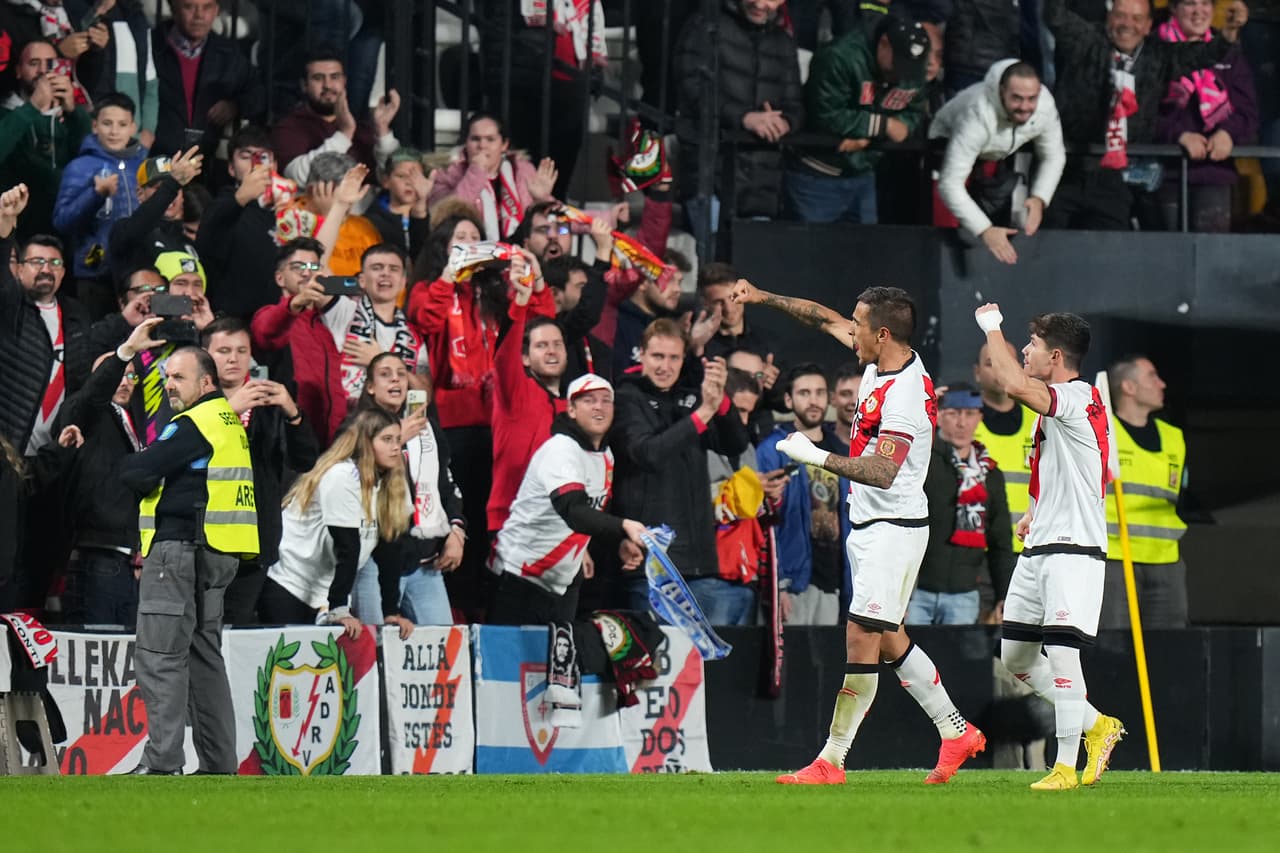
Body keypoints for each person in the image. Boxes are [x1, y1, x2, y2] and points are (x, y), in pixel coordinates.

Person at [730, 278, 986, 785]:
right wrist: (763, 297)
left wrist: (816, 456)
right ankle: (955, 730)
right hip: (869, 524)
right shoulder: (879, 361)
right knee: (888, 638)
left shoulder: (906, 395)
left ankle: (832, 759)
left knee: (860, 635)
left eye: (859, 324)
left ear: (883, 334)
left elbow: (883, 471)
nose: (850, 330)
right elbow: (821, 316)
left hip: (894, 528)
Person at [973, 302, 1126, 790]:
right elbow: (1060, 469)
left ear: (1055, 356)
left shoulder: (1076, 396)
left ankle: (1064, 767)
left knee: (1061, 655)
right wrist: (1033, 512)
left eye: (1033, 344)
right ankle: (1097, 725)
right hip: (1041, 545)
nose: (1025, 351)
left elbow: (1012, 384)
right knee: (1016, 658)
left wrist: (992, 326)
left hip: (1074, 549)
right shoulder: (1063, 405)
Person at [119, 346, 257, 775]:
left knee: (160, 656)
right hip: (218, 552)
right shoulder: (227, 421)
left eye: (179, 377)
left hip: (180, 551)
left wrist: (135, 464)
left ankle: (162, 763)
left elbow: (137, 471)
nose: (169, 386)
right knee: (204, 658)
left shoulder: (194, 422)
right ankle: (218, 764)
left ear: (207, 382)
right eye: (167, 378)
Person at [1041, 0, 1249, 230]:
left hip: (1116, 183)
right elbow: (1054, 16)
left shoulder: (1157, 55)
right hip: (1066, 171)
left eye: (1137, 18)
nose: (1127, 24)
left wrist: (1229, 32)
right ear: (1109, 17)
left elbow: (1205, 54)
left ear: (1149, 25)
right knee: (1051, 247)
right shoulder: (1087, 40)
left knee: (1109, 247)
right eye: (1120, 16)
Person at [610, 319, 753, 624]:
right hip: (650, 566)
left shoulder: (689, 396)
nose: (665, 366)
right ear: (641, 355)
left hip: (699, 561)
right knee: (661, 651)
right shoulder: (625, 398)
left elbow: (734, 444)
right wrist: (704, 413)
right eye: (657, 356)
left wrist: (721, 401)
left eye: (674, 358)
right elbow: (648, 452)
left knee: (713, 645)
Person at [490, 374, 647, 625]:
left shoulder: (606, 454)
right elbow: (573, 511)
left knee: (560, 650)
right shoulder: (561, 450)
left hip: (563, 580)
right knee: (513, 652)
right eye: (589, 400)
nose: (599, 406)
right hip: (519, 574)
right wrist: (623, 526)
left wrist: (617, 543)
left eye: (606, 400)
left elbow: (594, 511)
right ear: (571, 410)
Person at [201, 316, 318, 625]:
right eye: (224, 351)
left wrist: (293, 412)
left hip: (255, 540)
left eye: (242, 350)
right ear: (205, 356)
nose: (234, 359)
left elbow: (305, 461)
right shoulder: (193, 400)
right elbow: (183, 452)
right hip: (204, 540)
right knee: (202, 626)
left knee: (238, 627)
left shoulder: (268, 406)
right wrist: (229, 412)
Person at [260, 408, 414, 641]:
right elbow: (347, 547)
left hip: (324, 592)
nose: (395, 447)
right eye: (387, 439)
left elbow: (389, 551)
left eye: (398, 440)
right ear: (365, 443)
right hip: (290, 583)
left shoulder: (391, 482)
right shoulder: (343, 475)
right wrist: (339, 609)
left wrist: (391, 611)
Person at [55, 317, 168, 627]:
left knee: (125, 650)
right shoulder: (85, 413)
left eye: (131, 375)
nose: (124, 380)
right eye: (117, 372)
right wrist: (124, 353)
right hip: (96, 557)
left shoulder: (134, 422)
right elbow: (92, 397)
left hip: (127, 559)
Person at [349, 353, 465, 627]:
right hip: (374, 562)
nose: (395, 380)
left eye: (401, 374)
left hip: (425, 563)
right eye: (385, 374)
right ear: (370, 386)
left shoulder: (428, 429)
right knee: (376, 645)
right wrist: (398, 437)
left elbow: (446, 485)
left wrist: (456, 531)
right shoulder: (355, 427)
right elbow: (356, 482)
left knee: (444, 644)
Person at [674, 0, 803, 241]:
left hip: (762, 182)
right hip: (710, 173)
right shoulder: (705, 26)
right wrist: (744, 117)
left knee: (754, 262)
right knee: (715, 258)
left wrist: (786, 122)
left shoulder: (783, 42)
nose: (760, 4)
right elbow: (692, 88)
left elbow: (795, 106)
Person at [784, 17, 931, 224]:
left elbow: (913, 110)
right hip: (817, 174)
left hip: (864, 174)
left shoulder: (912, 67)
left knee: (865, 244)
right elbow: (825, 115)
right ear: (884, 43)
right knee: (809, 244)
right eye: (897, 65)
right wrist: (883, 126)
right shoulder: (840, 57)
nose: (901, 75)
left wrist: (900, 126)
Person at [929, 61, 1065, 264]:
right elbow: (949, 184)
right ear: (1002, 91)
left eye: (1031, 98)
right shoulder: (977, 114)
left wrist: (1039, 197)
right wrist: (984, 229)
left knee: (998, 231)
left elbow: (1054, 155)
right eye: (1017, 98)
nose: (1025, 107)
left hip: (994, 157)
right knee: (949, 236)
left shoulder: (1045, 105)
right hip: (945, 150)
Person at [909, 385, 1015, 625]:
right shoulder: (919, 461)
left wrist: (1005, 595)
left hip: (964, 594)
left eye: (969, 414)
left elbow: (1000, 542)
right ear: (939, 417)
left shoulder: (989, 474)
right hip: (915, 592)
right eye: (953, 413)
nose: (962, 423)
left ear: (980, 417)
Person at [1152, 0, 1259, 232]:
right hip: (1164, 174)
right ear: (1173, 8)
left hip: (1214, 175)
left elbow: (1248, 112)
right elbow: (1140, 113)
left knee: (1212, 252)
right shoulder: (1154, 48)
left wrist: (1228, 133)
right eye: (1190, 3)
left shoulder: (1229, 53)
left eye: (1205, 3)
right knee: (1166, 252)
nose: (1198, 11)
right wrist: (1178, 135)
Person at [757, 364, 851, 625]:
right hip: (793, 582)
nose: (813, 401)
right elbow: (765, 522)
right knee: (790, 652)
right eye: (804, 393)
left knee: (827, 652)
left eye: (819, 393)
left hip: (833, 581)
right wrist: (779, 583)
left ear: (828, 398)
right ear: (788, 400)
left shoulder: (841, 452)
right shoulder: (774, 448)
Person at [1100, 355, 1188, 629]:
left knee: (1169, 644)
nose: (1162, 384)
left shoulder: (1174, 438)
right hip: (1115, 559)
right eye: (1152, 376)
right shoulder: (1102, 434)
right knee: (1112, 642)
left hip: (1166, 559)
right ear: (1129, 387)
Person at [53, 91, 148, 318]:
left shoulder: (145, 165)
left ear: (133, 127)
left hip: (140, 271)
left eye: (122, 124)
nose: (114, 131)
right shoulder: (80, 166)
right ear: (94, 126)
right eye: (107, 123)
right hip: (95, 272)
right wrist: (95, 194)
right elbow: (61, 221)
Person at [251, 237, 347, 446]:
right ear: (280, 278)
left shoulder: (324, 327)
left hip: (330, 444)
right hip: (290, 440)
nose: (307, 273)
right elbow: (267, 330)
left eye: (314, 267)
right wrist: (295, 304)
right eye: (298, 267)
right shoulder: (270, 315)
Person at [488, 267, 563, 534]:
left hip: (559, 526)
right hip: (512, 524)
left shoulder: (574, 406)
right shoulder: (515, 390)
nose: (551, 351)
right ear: (525, 358)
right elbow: (504, 355)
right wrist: (520, 302)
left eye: (557, 344)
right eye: (541, 346)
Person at [0, 38, 92, 240]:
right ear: (18, 71)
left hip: (65, 226)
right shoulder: (6, 113)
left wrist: (73, 111)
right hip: (16, 227)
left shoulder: (71, 117)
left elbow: (89, 160)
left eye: (50, 64)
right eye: (34, 63)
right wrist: (32, 107)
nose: (43, 71)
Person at [271, 46, 402, 185]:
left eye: (334, 77)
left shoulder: (362, 128)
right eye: (318, 78)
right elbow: (299, 178)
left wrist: (383, 132)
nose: (327, 85)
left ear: (344, 82)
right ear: (304, 85)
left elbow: (397, 177)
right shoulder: (289, 128)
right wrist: (344, 134)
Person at [153, 0, 265, 160]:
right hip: (153, 158)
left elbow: (257, 92)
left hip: (204, 160)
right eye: (189, 6)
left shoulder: (229, 54)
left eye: (207, 7)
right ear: (173, 8)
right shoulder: (150, 46)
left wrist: (235, 106)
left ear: (216, 10)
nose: (199, 15)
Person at [195, 125, 287, 319]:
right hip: (233, 320)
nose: (255, 164)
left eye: (263, 157)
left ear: (275, 166)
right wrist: (242, 197)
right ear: (231, 168)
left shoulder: (288, 209)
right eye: (246, 157)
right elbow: (207, 238)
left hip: (279, 317)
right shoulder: (221, 206)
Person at [323, 242, 429, 406]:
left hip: (394, 420)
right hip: (347, 417)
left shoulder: (414, 337)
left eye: (393, 269)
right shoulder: (343, 310)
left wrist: (380, 361)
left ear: (403, 282)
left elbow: (425, 395)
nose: (385, 273)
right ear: (362, 280)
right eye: (377, 268)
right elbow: (318, 266)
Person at [428, 112, 558, 241]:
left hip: (519, 250)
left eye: (490, 139)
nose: (482, 146)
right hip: (471, 250)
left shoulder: (522, 171)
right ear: (466, 143)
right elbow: (442, 219)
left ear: (504, 145)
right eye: (475, 139)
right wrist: (476, 173)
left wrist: (543, 200)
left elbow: (564, 225)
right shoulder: (448, 173)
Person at [974, 340, 1037, 556]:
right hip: (977, 547)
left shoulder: (1039, 421)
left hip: (1030, 544)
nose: (1000, 369)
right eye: (991, 363)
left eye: (1007, 362)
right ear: (977, 372)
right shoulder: (962, 423)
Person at [107, 147, 202, 280]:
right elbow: (139, 226)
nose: (171, 197)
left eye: (177, 190)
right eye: (159, 188)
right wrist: (172, 185)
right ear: (140, 193)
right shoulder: (124, 230)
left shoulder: (188, 242)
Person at [364, 148, 433, 262]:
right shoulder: (370, 222)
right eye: (401, 176)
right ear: (386, 181)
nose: (409, 182)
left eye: (415, 177)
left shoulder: (434, 218)